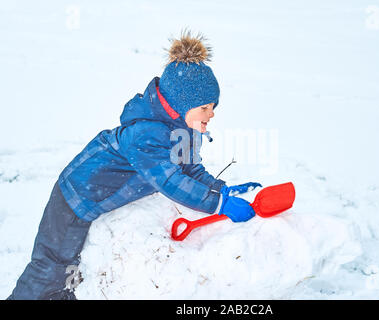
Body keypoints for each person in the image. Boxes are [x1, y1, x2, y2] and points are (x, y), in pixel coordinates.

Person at [7, 30, 261, 300]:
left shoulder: (184, 129)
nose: (212, 114)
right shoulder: (146, 134)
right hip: (77, 195)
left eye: (213, 107)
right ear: (181, 105)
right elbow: (169, 181)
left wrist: (220, 190)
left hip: (100, 196)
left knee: (74, 270)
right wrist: (217, 204)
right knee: (51, 268)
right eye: (205, 107)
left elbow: (189, 170)